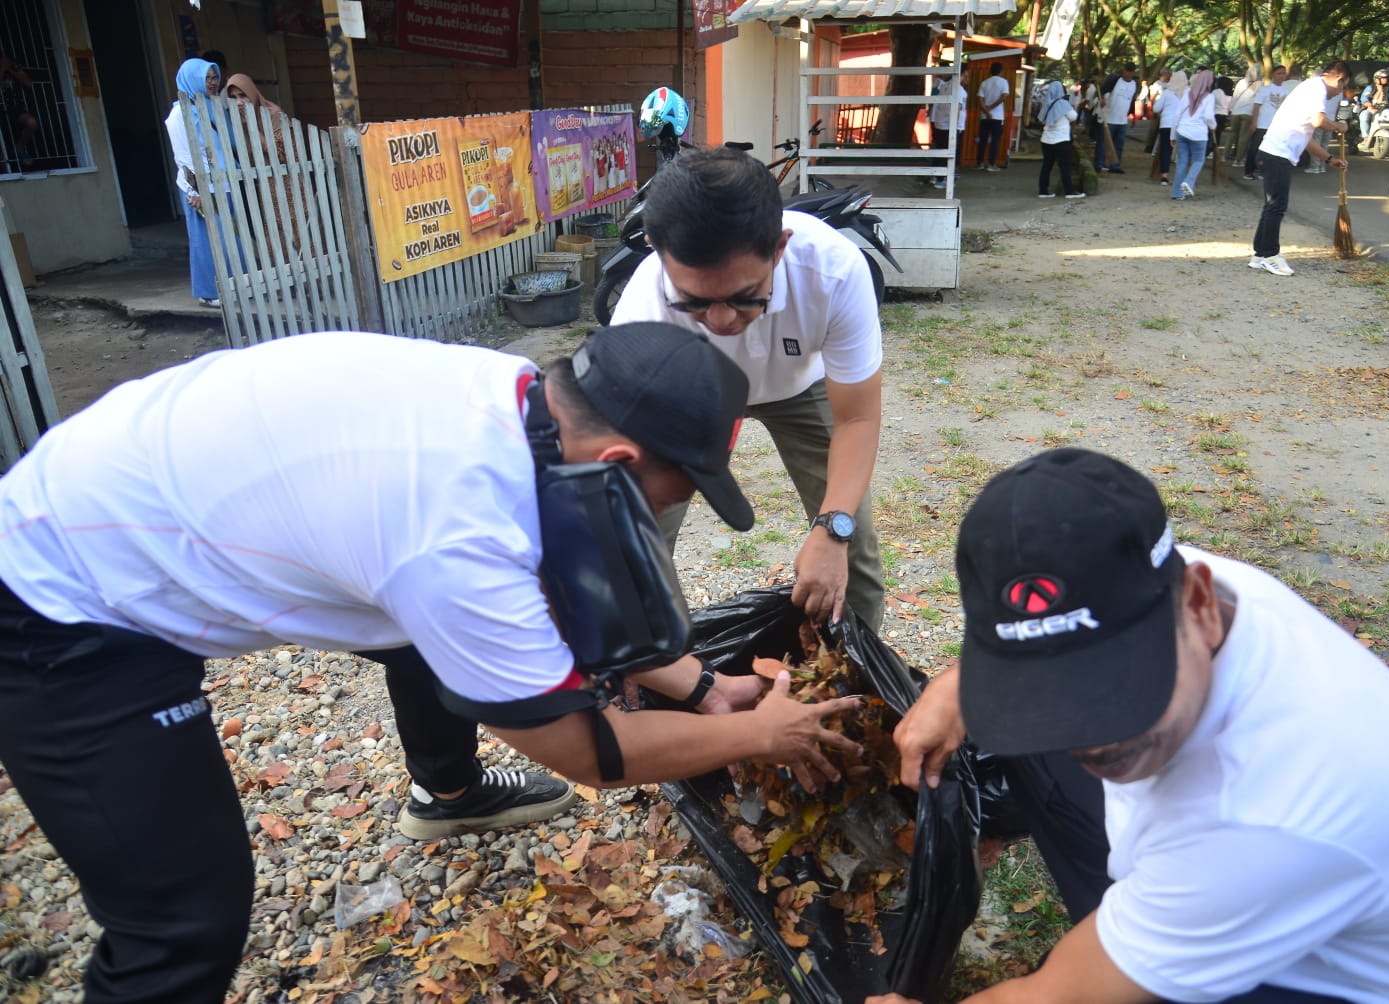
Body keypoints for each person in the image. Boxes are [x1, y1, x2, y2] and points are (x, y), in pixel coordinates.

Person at [0, 325, 866, 1004]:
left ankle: (446, 797)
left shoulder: (512, 394)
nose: (664, 520)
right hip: (60, 602)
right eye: (673, 500)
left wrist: (707, 688)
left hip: (129, 487)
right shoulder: (455, 531)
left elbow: (534, 601)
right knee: (186, 917)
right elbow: (584, 752)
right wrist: (758, 733)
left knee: (447, 632)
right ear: (618, 465)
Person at [872, 447, 1389, 1004]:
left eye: (1116, 688)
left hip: (1341, 982)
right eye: (1049, 694)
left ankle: (1146, 938)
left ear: (1200, 604)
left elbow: (1062, 995)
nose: (1087, 737)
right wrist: (957, 687)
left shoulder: (1269, 816)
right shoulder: (1152, 572)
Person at [608, 147, 886, 630]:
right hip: (689, 395)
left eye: (743, 296)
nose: (720, 321)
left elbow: (857, 419)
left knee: (850, 546)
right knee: (639, 545)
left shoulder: (834, 272)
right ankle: (664, 672)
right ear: (657, 249)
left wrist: (832, 529)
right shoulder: (643, 306)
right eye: (693, 301)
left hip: (801, 385)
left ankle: (857, 685)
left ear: (779, 247)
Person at [1248, 61, 1350, 277]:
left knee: (1271, 206)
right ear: (1339, 78)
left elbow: (1306, 137)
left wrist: (1329, 158)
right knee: (1276, 206)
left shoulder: (1309, 88)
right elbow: (1319, 120)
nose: (1338, 93)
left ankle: (1260, 255)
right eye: (1342, 88)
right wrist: (1338, 126)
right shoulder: (1317, 89)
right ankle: (1270, 256)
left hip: (1274, 152)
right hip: (1277, 154)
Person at [163, 57, 227, 308]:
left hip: (221, 184)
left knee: (227, 238)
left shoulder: (209, 108)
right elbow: (184, 157)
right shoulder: (179, 115)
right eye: (206, 78)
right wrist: (194, 191)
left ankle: (234, 285)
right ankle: (208, 292)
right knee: (205, 239)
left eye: (214, 77)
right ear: (192, 80)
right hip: (199, 188)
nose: (212, 83)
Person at [223, 73, 299, 258]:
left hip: (288, 185)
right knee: (273, 242)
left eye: (243, 96)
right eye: (233, 98)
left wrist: (252, 127)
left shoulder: (273, 114)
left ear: (252, 93)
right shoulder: (233, 122)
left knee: (298, 238)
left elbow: (283, 154)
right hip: (261, 189)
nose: (239, 102)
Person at [1172, 69, 1217, 198]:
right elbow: (1209, 116)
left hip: (1182, 131)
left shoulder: (1187, 93)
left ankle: (1177, 193)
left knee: (1182, 162)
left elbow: (1177, 114)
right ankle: (1188, 182)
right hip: (1198, 134)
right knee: (1198, 160)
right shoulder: (1210, 97)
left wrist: (1173, 134)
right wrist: (1213, 126)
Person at [1036, 81, 1085, 199]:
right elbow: (1073, 117)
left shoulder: (1046, 103)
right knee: (1065, 166)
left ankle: (1043, 191)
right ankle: (1069, 191)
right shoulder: (1063, 103)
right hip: (1060, 140)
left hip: (1046, 139)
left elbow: (1041, 119)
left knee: (1047, 166)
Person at [1242, 64, 1288, 180]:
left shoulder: (1286, 91)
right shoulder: (1265, 89)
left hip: (1277, 126)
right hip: (1262, 124)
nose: (1281, 76)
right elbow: (1256, 107)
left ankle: (1264, 171)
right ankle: (1249, 171)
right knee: (1255, 148)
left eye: (1283, 73)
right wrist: (1254, 122)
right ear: (1273, 75)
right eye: (1279, 73)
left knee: (1271, 151)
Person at [0, 51, 41, 173]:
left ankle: (20, 148)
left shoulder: (9, 62)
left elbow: (28, 83)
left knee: (32, 123)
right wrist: (2, 69)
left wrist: (10, 68)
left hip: (15, 109)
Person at [928, 69, 968, 188]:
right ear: (963, 74)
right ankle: (941, 180)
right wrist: (954, 128)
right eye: (967, 75)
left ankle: (935, 177)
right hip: (951, 127)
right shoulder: (958, 90)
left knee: (940, 152)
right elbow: (956, 108)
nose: (968, 78)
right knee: (948, 154)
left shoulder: (944, 86)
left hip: (940, 124)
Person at [1095, 63, 1138, 174]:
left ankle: (1115, 165)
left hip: (1123, 119)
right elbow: (1102, 91)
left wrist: (1132, 116)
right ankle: (1099, 164)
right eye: (1126, 71)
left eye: (1130, 71)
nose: (1127, 73)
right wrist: (1103, 99)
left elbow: (1132, 100)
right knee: (1104, 143)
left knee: (1119, 144)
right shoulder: (1114, 80)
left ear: (1133, 72)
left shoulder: (1135, 84)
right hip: (1109, 118)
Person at [1154, 70, 1187, 184]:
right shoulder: (1188, 93)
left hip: (1167, 124)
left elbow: (1156, 108)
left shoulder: (1167, 92)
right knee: (1183, 152)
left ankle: (1164, 176)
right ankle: (1182, 177)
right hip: (1182, 125)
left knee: (1165, 150)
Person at [976, 62, 1010, 171]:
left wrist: (986, 111)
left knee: (983, 140)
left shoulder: (984, 83)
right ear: (1001, 71)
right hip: (998, 116)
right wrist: (991, 108)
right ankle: (991, 164)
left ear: (990, 71)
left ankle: (980, 163)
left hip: (984, 117)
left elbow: (980, 100)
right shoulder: (1004, 82)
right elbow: (1003, 97)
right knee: (995, 140)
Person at [1226, 64, 1261, 160]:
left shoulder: (1241, 82)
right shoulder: (1259, 84)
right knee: (1243, 138)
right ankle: (1238, 159)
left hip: (1236, 111)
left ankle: (1224, 155)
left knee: (1232, 134)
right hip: (1248, 113)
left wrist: (1231, 110)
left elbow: (1235, 97)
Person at [1358, 68, 1389, 146]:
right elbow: (1363, 98)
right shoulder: (1370, 88)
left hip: (1383, 110)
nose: (1386, 80)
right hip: (1370, 109)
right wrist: (1367, 103)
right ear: (1377, 79)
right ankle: (1366, 138)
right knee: (1364, 116)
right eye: (1383, 78)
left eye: (1386, 78)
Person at [1142, 69, 1170, 156]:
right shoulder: (1157, 84)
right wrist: (1152, 108)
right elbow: (1152, 97)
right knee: (1154, 129)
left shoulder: (1170, 84)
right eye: (1168, 74)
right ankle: (1149, 145)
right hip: (1157, 107)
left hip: (1166, 109)